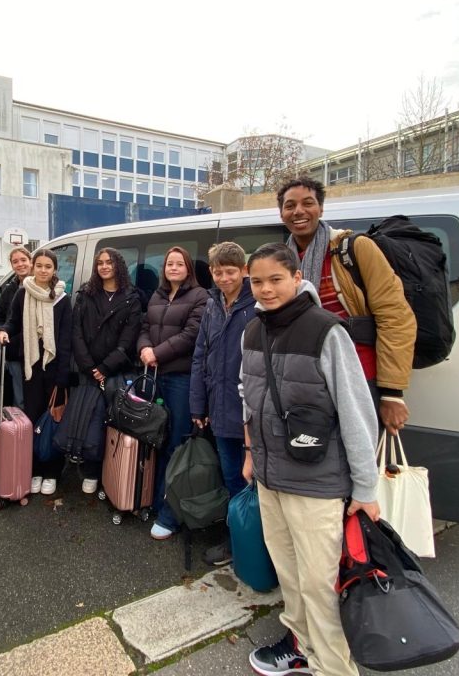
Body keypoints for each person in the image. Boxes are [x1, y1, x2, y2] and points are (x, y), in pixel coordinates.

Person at [241, 242, 379, 676]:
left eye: (275, 279)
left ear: (297, 278)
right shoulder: (252, 330)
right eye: (257, 281)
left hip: (316, 483)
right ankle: (301, 647)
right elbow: (248, 396)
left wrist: (366, 487)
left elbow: (356, 412)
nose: (266, 289)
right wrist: (250, 453)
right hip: (270, 478)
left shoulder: (326, 331)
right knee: (290, 575)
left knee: (320, 585)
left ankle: (333, 667)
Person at [277, 176, 416, 435]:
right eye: (290, 205)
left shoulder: (355, 248)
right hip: (308, 378)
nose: (298, 211)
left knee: (359, 452)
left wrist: (392, 392)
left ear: (321, 208)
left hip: (359, 375)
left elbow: (395, 316)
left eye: (308, 203)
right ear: (281, 213)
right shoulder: (283, 260)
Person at [189, 241, 256, 566]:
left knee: (251, 480)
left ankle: (254, 543)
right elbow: (200, 355)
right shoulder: (213, 304)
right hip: (219, 407)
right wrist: (198, 405)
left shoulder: (257, 304)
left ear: (244, 270)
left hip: (249, 411)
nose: (224, 278)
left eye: (230, 271)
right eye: (218, 272)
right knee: (232, 477)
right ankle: (238, 539)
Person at [138, 246, 208, 540]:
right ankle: (154, 500)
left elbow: (191, 335)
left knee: (177, 445)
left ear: (188, 268)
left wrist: (157, 353)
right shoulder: (157, 295)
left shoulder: (200, 296)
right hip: (155, 377)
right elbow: (144, 326)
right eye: (170, 264)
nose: (174, 268)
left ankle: (170, 514)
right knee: (155, 441)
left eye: (180, 263)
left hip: (181, 379)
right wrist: (144, 348)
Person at [0, 248, 72, 496]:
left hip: (54, 368)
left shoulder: (62, 298)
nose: (42, 270)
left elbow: (66, 340)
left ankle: (52, 472)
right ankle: (35, 469)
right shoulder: (22, 293)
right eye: (39, 265)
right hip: (31, 367)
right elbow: (12, 322)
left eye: (48, 266)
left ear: (54, 269)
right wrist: (3, 331)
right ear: (33, 267)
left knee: (54, 420)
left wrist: (62, 378)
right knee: (33, 418)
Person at [71, 248, 142, 493]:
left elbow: (128, 341)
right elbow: (76, 333)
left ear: (118, 265)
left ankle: (111, 475)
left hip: (115, 372)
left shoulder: (131, 298)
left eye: (109, 262)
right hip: (88, 371)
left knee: (112, 422)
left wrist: (104, 367)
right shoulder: (85, 294)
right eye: (100, 263)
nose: (104, 266)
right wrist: (90, 367)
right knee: (88, 421)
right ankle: (90, 472)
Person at [0, 246, 33, 408]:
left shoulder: (41, 286)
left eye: (23, 260)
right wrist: (1, 334)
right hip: (15, 352)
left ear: (31, 261)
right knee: (20, 399)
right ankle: (20, 424)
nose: (20, 264)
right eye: (15, 261)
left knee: (36, 397)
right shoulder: (9, 290)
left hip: (36, 353)